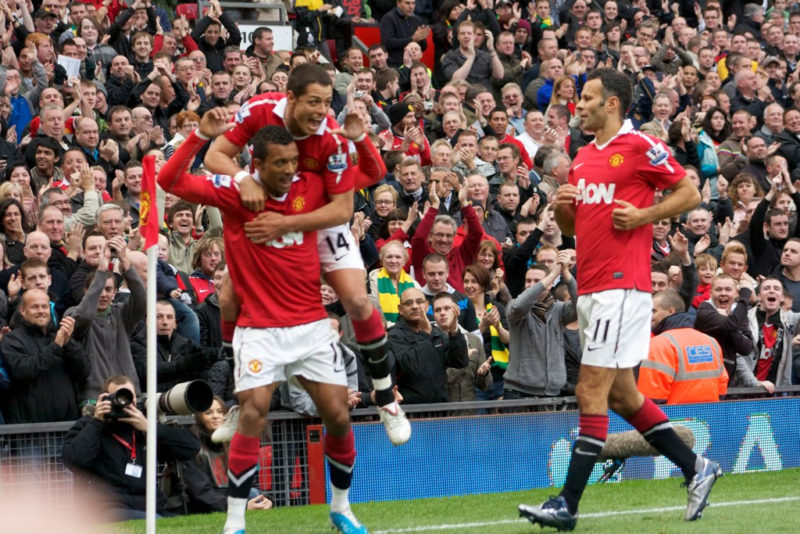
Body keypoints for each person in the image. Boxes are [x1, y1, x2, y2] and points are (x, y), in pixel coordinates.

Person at [519, 69, 718, 530]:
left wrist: (645, 214)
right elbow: (574, 228)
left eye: (587, 98)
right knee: (624, 396)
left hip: (620, 288)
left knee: (590, 390)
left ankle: (567, 503)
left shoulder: (638, 148)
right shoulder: (584, 155)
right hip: (589, 288)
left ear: (612, 103)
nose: (579, 105)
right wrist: (565, 209)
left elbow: (689, 192)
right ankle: (696, 468)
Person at [159, 110, 368, 534]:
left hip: (310, 327)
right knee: (253, 412)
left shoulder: (310, 188)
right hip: (259, 330)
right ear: (257, 165)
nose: (290, 170)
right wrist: (199, 137)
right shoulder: (238, 194)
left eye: (294, 162)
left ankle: (342, 509)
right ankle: (235, 522)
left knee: (339, 417)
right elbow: (170, 180)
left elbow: (359, 183)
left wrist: (356, 141)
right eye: (280, 164)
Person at [203, 64, 409, 446]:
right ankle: (237, 400)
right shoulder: (258, 110)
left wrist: (286, 225)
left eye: (328, 102)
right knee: (229, 296)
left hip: (315, 221)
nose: (322, 111)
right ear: (290, 98)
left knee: (359, 303)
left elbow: (342, 210)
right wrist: (244, 178)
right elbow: (215, 156)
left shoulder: (331, 136)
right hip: (270, 218)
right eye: (314, 102)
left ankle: (386, 399)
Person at [62, 375, 201, 521]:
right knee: (157, 522)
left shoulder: (143, 424)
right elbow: (74, 460)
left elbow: (191, 448)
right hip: (107, 508)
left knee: (182, 525)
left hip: (148, 506)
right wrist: (97, 422)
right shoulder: (89, 425)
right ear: (104, 400)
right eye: (118, 396)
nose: (124, 403)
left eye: (129, 396)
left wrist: (150, 428)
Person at [0, 289, 86, 423]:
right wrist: (56, 346)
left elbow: (83, 372)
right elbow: (22, 370)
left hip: (66, 426)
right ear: (22, 311)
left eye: (44, 306)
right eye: (35, 307)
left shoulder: (61, 337)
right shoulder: (12, 339)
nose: (41, 311)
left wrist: (69, 344)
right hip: (29, 432)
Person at [504, 255, 577, 400]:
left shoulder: (559, 309)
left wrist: (566, 274)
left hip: (552, 393)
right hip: (519, 393)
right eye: (528, 281)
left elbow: (582, 306)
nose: (531, 285)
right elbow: (520, 305)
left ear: (551, 285)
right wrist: (552, 275)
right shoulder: (514, 306)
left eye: (537, 281)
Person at [638, 290, 729, 404]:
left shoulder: (659, 344)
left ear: (670, 311)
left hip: (673, 419)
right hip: (708, 418)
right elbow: (722, 386)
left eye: (654, 311)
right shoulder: (711, 342)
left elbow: (651, 397)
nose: (649, 316)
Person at [387, 287, 468, 403]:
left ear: (426, 306)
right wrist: (425, 334)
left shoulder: (436, 332)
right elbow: (412, 366)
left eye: (419, 302)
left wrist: (454, 331)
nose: (415, 306)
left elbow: (461, 361)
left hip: (440, 409)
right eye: (409, 303)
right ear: (400, 309)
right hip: (411, 411)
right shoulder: (395, 336)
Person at [735, 277, 800, 392]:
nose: (771, 291)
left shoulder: (790, 320)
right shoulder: (744, 318)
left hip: (775, 392)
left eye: (776, 288)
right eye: (766, 288)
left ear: (782, 298)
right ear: (759, 296)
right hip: (744, 391)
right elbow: (737, 356)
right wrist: (755, 383)